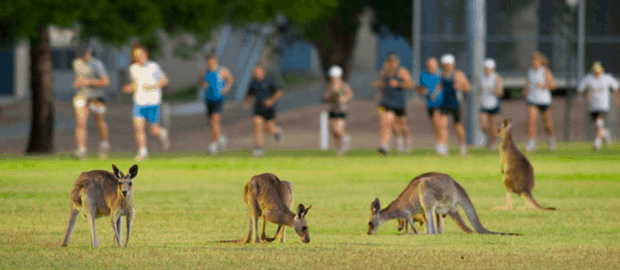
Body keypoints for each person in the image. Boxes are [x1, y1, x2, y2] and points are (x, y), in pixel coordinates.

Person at [122, 42, 171, 160]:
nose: (138, 57)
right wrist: (129, 88)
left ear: (146, 54)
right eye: (136, 55)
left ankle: (162, 133)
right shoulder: (133, 69)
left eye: (140, 54)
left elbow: (164, 81)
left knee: (154, 131)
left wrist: (153, 86)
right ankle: (143, 151)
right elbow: (135, 85)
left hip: (153, 102)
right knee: (138, 127)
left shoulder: (154, 67)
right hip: (139, 102)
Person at [71, 45, 111, 160]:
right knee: (80, 122)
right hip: (82, 95)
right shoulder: (77, 63)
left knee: (99, 121)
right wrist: (77, 84)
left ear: (89, 52)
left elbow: (106, 81)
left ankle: (104, 143)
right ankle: (81, 149)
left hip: (96, 97)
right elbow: (78, 79)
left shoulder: (97, 64)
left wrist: (89, 82)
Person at [371, 52, 414, 155]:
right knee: (384, 121)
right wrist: (378, 86)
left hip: (398, 103)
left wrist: (398, 84)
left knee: (401, 125)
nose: (391, 64)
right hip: (384, 103)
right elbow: (382, 84)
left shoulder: (401, 72)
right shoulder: (384, 72)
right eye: (389, 62)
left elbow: (410, 84)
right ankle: (384, 145)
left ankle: (406, 140)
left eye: (393, 62)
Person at [242, 64, 284, 157]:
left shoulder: (269, 81)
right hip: (258, 109)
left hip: (268, 109)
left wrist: (271, 100)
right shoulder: (253, 83)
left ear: (262, 71)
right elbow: (249, 95)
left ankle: (276, 132)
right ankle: (258, 148)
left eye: (258, 71)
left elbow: (279, 92)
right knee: (257, 125)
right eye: (255, 72)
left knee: (269, 130)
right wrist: (246, 102)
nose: (256, 74)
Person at [577, 61, 620, 150]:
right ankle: (605, 134)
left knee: (599, 122)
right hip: (592, 106)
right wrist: (586, 94)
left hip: (603, 105)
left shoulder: (607, 78)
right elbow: (580, 89)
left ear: (602, 71)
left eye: (598, 71)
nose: (597, 73)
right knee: (597, 125)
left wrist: (617, 98)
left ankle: (597, 144)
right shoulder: (588, 79)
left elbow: (616, 87)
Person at [436, 54, 471, 157]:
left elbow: (468, 87)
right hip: (444, 103)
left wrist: (460, 86)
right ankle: (444, 148)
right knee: (442, 125)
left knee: (458, 126)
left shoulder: (458, 74)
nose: (447, 66)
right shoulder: (441, 74)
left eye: (449, 64)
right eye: (445, 64)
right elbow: (440, 86)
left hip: (455, 103)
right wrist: (434, 94)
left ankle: (462, 146)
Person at [523, 51, 557, 152]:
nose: (534, 62)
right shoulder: (530, 72)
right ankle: (532, 142)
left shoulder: (545, 71)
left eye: (536, 60)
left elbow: (553, 85)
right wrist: (525, 91)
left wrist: (543, 85)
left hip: (544, 101)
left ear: (540, 62)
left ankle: (551, 140)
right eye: (533, 60)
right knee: (531, 121)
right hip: (532, 100)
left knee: (547, 124)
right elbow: (528, 83)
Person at [201, 54, 234, 155]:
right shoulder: (204, 71)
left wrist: (226, 88)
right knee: (212, 123)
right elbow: (201, 81)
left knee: (215, 120)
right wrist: (203, 84)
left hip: (218, 99)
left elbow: (230, 79)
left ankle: (213, 145)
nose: (210, 64)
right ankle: (221, 138)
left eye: (212, 62)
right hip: (208, 99)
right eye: (209, 62)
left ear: (215, 61)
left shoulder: (222, 70)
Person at [322, 65, 354, 156]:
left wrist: (344, 98)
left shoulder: (344, 85)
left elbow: (350, 95)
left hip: (341, 110)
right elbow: (325, 96)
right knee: (332, 130)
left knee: (338, 128)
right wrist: (328, 94)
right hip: (332, 109)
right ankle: (340, 149)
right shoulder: (329, 85)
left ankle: (346, 138)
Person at [415, 57, 443, 153]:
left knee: (439, 122)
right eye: (429, 66)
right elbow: (418, 87)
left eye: (433, 66)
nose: (431, 67)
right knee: (434, 124)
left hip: (441, 103)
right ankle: (439, 143)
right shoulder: (423, 75)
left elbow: (444, 85)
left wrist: (436, 93)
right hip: (430, 104)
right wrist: (422, 91)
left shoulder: (441, 74)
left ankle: (441, 144)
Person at [479, 58, 504, 150]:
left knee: (493, 126)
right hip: (484, 104)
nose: (487, 70)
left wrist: (494, 90)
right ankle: (491, 138)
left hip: (494, 105)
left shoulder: (496, 77)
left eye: (488, 68)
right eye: (485, 68)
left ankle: (493, 143)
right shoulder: (481, 77)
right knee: (483, 125)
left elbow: (501, 92)